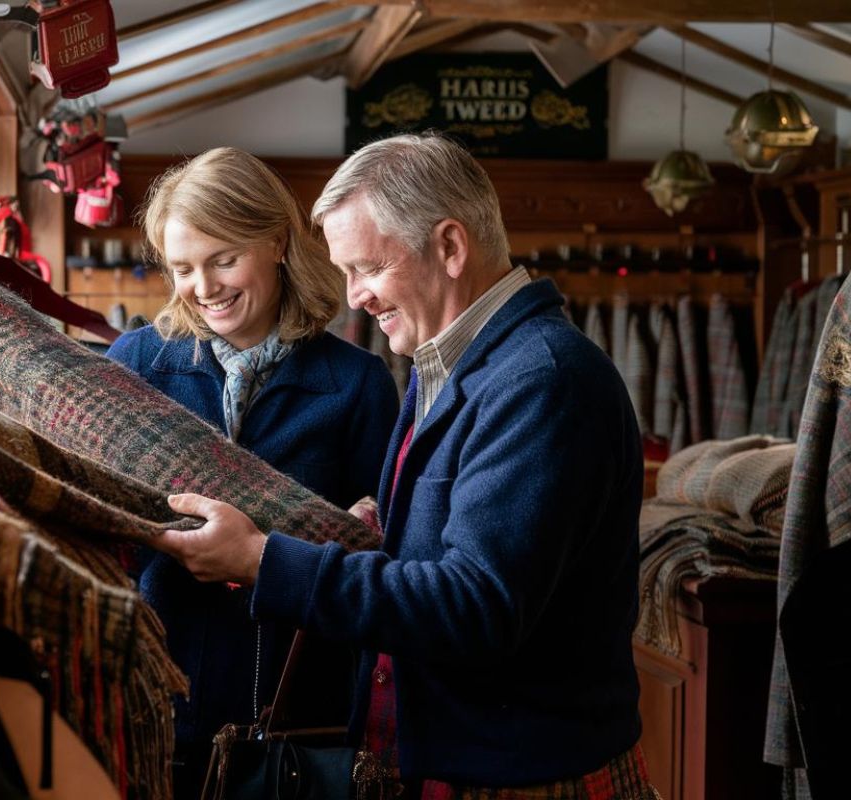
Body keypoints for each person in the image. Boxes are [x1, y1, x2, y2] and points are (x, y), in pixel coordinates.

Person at [154, 134, 658, 798]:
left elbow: (473, 606)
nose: (355, 296)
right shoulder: (449, 367)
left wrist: (261, 560)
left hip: (521, 778)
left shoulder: (545, 382)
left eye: (367, 267)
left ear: (449, 247)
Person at [106, 147, 400, 798]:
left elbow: (384, 562)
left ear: (275, 242)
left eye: (223, 259)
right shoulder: (135, 365)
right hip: (153, 707)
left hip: (295, 726)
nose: (204, 287)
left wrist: (353, 530)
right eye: (183, 268)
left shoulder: (357, 385)